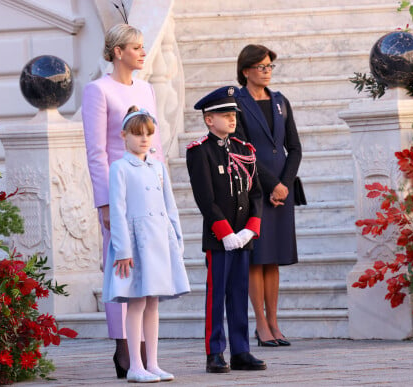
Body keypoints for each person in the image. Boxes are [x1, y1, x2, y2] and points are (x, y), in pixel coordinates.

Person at [81, 24, 164, 378]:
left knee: (150, 268)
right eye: (136, 47)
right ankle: (123, 347)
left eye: (143, 47)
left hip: (148, 192)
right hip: (118, 194)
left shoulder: (147, 89)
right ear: (117, 51)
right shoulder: (97, 91)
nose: (142, 53)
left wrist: (161, 189)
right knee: (120, 268)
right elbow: (96, 151)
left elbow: (155, 146)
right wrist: (104, 204)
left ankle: (147, 352)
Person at [103, 106, 190, 383]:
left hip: (159, 241)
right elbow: (117, 211)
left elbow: (170, 207)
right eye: (137, 134)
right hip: (135, 242)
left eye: (148, 134)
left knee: (153, 303)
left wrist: (176, 239)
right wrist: (123, 249)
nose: (143, 139)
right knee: (136, 302)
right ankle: (135, 365)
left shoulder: (158, 167)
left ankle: (153, 362)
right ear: (124, 135)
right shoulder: (120, 167)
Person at [186, 86, 266, 374]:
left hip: (242, 236)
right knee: (216, 294)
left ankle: (241, 350)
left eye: (233, 113)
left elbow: (256, 194)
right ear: (209, 119)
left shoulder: (245, 150)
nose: (232, 119)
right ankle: (215, 351)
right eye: (224, 114)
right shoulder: (200, 152)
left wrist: (250, 230)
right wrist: (225, 232)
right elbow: (205, 199)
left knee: (238, 292)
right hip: (220, 238)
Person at [234, 44, 302, 347]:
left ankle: (274, 322)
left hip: (281, 191)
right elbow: (242, 149)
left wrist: (284, 184)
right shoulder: (236, 102)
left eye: (270, 66)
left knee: (273, 258)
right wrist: (271, 183)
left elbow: (294, 147)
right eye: (261, 66)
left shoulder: (280, 101)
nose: (266, 71)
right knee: (255, 258)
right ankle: (260, 324)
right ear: (246, 70)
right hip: (253, 187)